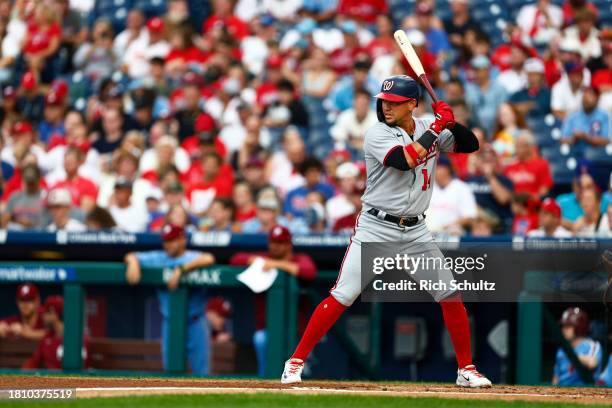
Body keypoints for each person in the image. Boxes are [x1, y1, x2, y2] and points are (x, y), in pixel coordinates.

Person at [280, 75, 491, 387]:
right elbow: (404, 160)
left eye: (394, 102)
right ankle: (294, 362)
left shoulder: (424, 126)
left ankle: (466, 369)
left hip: (416, 230)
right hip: (376, 227)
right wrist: (437, 127)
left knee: (450, 295)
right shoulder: (377, 133)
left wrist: (451, 123)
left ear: (411, 104)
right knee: (343, 295)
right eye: (384, 101)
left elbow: (470, 145)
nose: (387, 106)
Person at [125, 224, 216, 376]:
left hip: (195, 322)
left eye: (172, 240)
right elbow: (130, 255)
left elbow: (209, 258)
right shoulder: (159, 257)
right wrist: (133, 263)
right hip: (171, 322)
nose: (168, 244)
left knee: (202, 373)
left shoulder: (191, 257)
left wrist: (182, 269)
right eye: (166, 241)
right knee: (171, 373)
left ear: (182, 240)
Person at [231, 225, 316, 377]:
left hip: (295, 331)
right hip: (267, 328)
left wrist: (277, 265)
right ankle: (267, 381)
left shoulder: (299, 258)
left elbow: (309, 271)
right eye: (273, 242)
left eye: (280, 243)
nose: (275, 246)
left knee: (298, 375)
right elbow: (236, 259)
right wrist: (255, 260)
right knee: (261, 340)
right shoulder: (264, 258)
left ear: (288, 244)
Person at [23, 296, 88, 369]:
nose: (42, 316)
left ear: (53, 314)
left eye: (45, 313)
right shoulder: (47, 338)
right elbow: (32, 363)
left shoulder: (77, 337)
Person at [427, 155, 478, 235]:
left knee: (455, 231)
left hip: (453, 231)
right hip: (428, 232)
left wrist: (446, 227)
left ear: (448, 169)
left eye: (438, 167)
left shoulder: (462, 188)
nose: (435, 170)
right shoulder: (427, 188)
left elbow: (470, 216)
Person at [553, 307, 602, 386]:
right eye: (563, 326)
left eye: (568, 326)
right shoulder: (562, 349)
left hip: (582, 393)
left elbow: (592, 363)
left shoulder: (591, 345)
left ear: (579, 327)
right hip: (560, 393)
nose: (563, 330)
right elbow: (556, 377)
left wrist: (572, 355)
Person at [504, 131, 553, 199]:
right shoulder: (510, 166)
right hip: (513, 205)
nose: (516, 149)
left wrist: (528, 197)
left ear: (529, 147)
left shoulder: (542, 164)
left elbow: (543, 191)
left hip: (534, 205)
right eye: (516, 146)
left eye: (519, 146)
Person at [1, 164, 45, 230]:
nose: (30, 185)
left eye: (32, 182)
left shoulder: (45, 196)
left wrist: (31, 223)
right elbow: (4, 220)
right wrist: (16, 221)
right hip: (16, 234)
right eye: (28, 181)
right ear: (23, 179)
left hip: (39, 234)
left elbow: (49, 223)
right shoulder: (15, 196)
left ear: (39, 179)